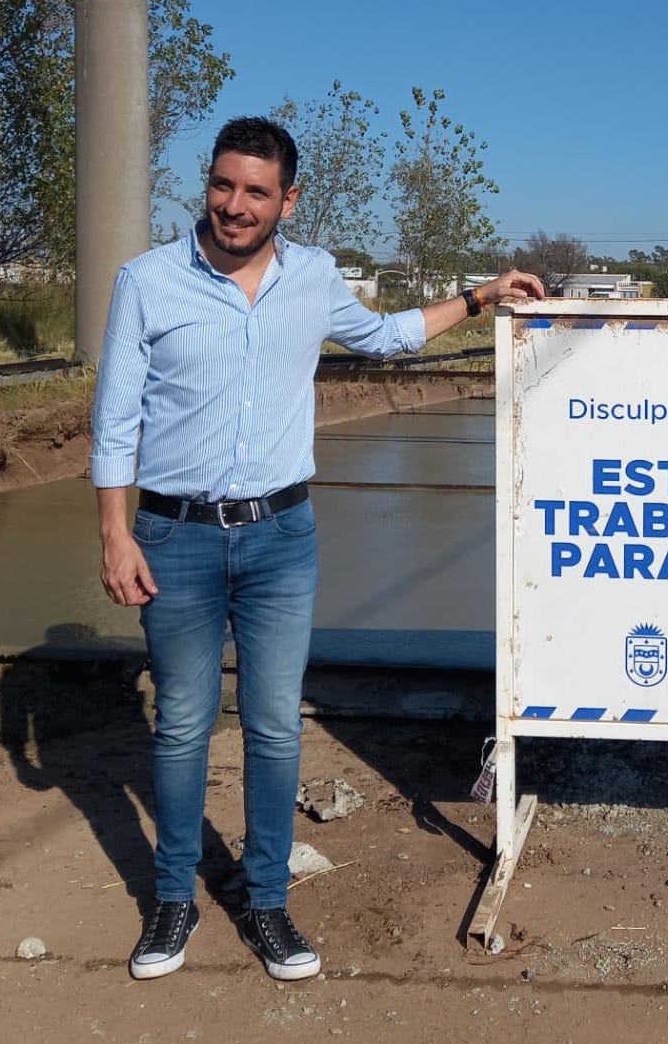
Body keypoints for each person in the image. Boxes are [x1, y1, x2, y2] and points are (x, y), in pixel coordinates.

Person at [91, 116, 544, 982]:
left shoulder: (315, 277)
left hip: (280, 540)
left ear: (287, 200)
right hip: (174, 539)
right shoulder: (146, 282)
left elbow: (386, 335)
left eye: (256, 192)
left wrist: (481, 296)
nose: (235, 205)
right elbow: (114, 424)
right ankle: (174, 900)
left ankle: (267, 903)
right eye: (223, 185)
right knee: (181, 725)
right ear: (208, 184)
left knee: (273, 726)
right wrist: (115, 536)